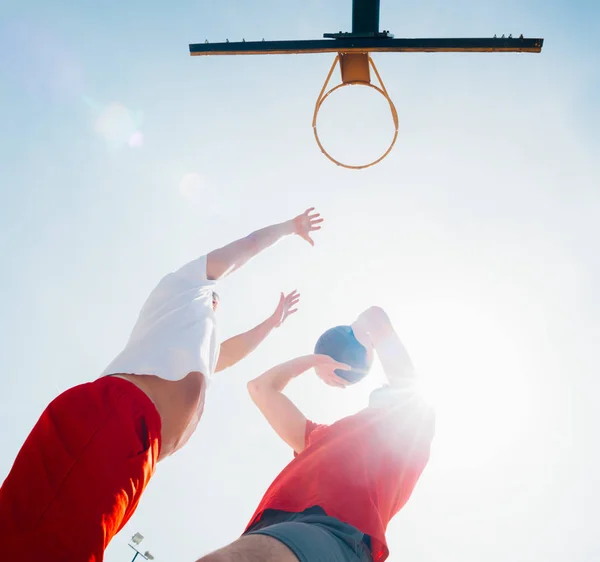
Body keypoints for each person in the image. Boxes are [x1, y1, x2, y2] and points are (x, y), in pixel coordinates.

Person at [0, 207, 324, 562]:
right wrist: (289, 227)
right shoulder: (184, 287)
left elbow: (230, 353)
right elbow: (246, 246)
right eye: (216, 300)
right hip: (115, 413)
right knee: (41, 540)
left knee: (78, 546)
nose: (218, 305)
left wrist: (271, 322)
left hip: (142, 451)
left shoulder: (200, 349)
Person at [196, 306, 435, 562]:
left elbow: (375, 318)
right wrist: (317, 361)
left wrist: (361, 336)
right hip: (269, 528)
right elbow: (260, 387)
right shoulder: (319, 437)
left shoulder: (414, 421)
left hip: (336, 532)